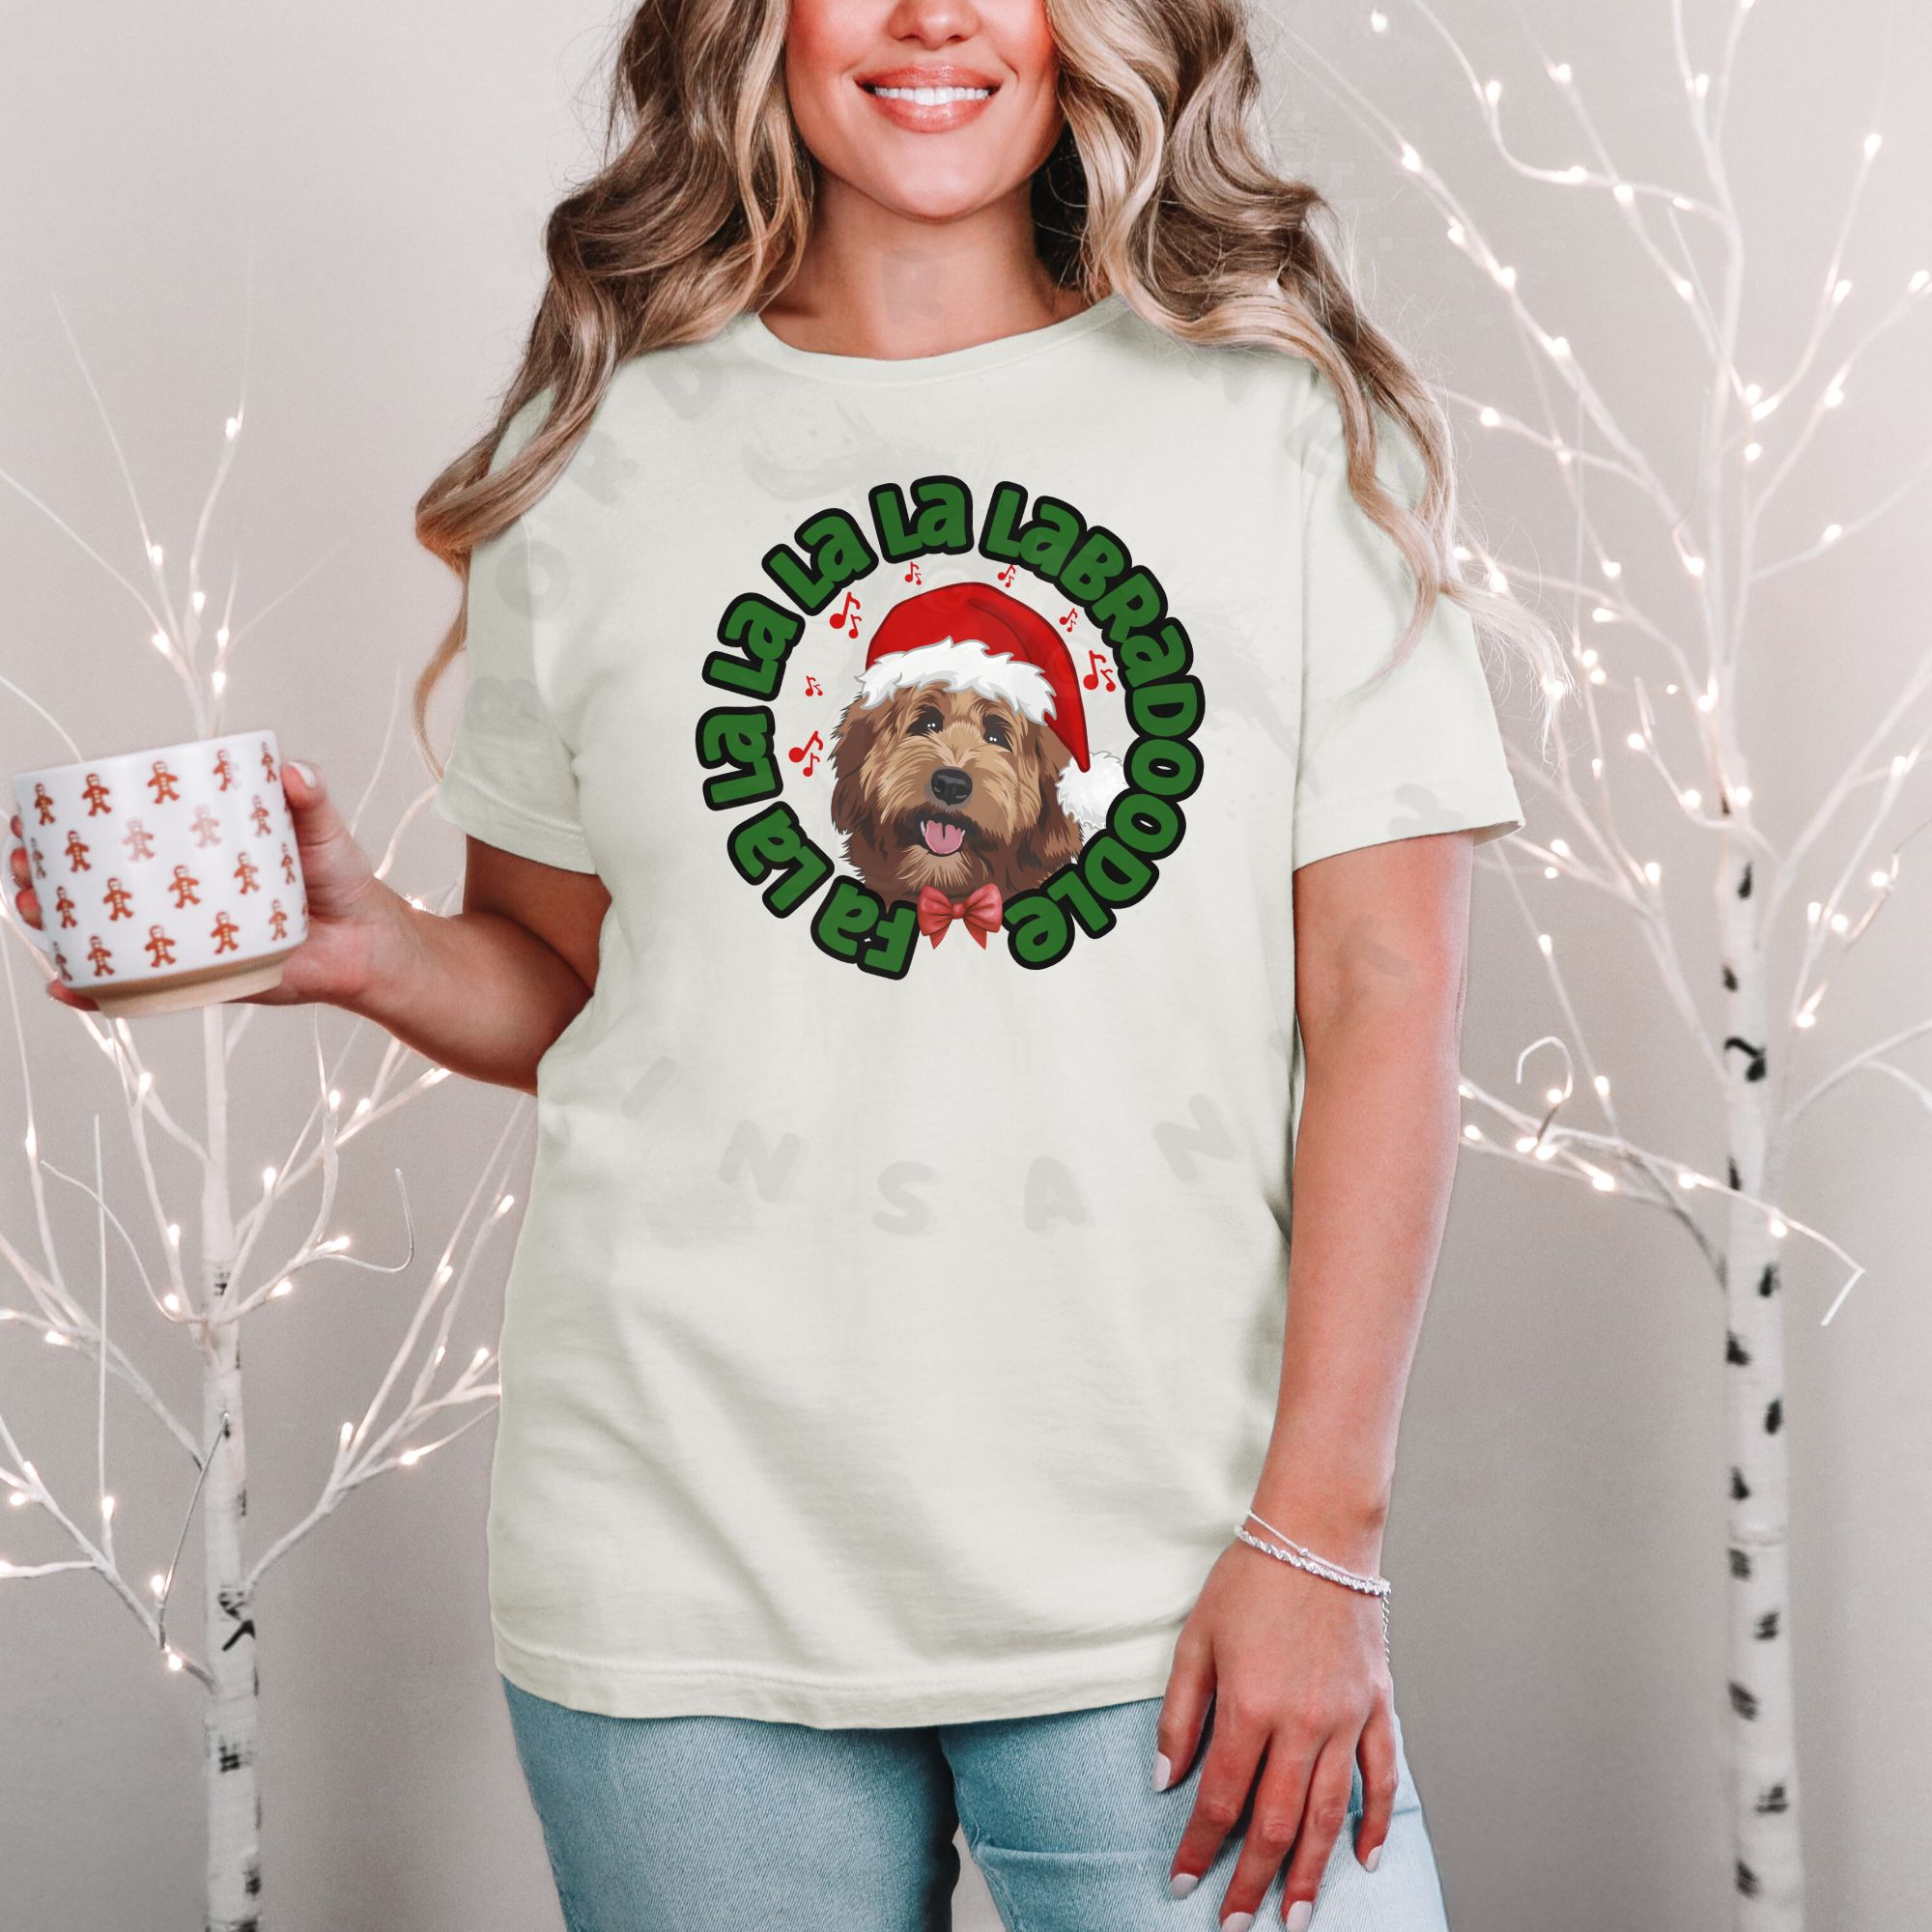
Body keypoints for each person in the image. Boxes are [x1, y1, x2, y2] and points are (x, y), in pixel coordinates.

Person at [11, 2, 1564, 1925]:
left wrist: (1317, 1537)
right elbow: (568, 983)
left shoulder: (1280, 424)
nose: (932, 15)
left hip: (1173, 1563)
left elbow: (1385, 1000)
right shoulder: (585, 451)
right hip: (677, 1569)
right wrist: (375, 949)